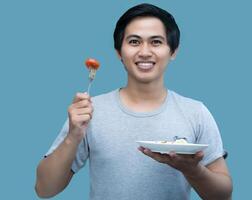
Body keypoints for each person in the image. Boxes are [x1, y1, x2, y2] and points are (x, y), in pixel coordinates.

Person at [35, 3, 232, 200]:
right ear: (119, 52)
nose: (145, 52)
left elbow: (223, 196)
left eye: (156, 42)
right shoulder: (90, 111)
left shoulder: (195, 112)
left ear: (173, 51)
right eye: (134, 42)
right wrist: (73, 136)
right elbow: (44, 189)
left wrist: (192, 170)